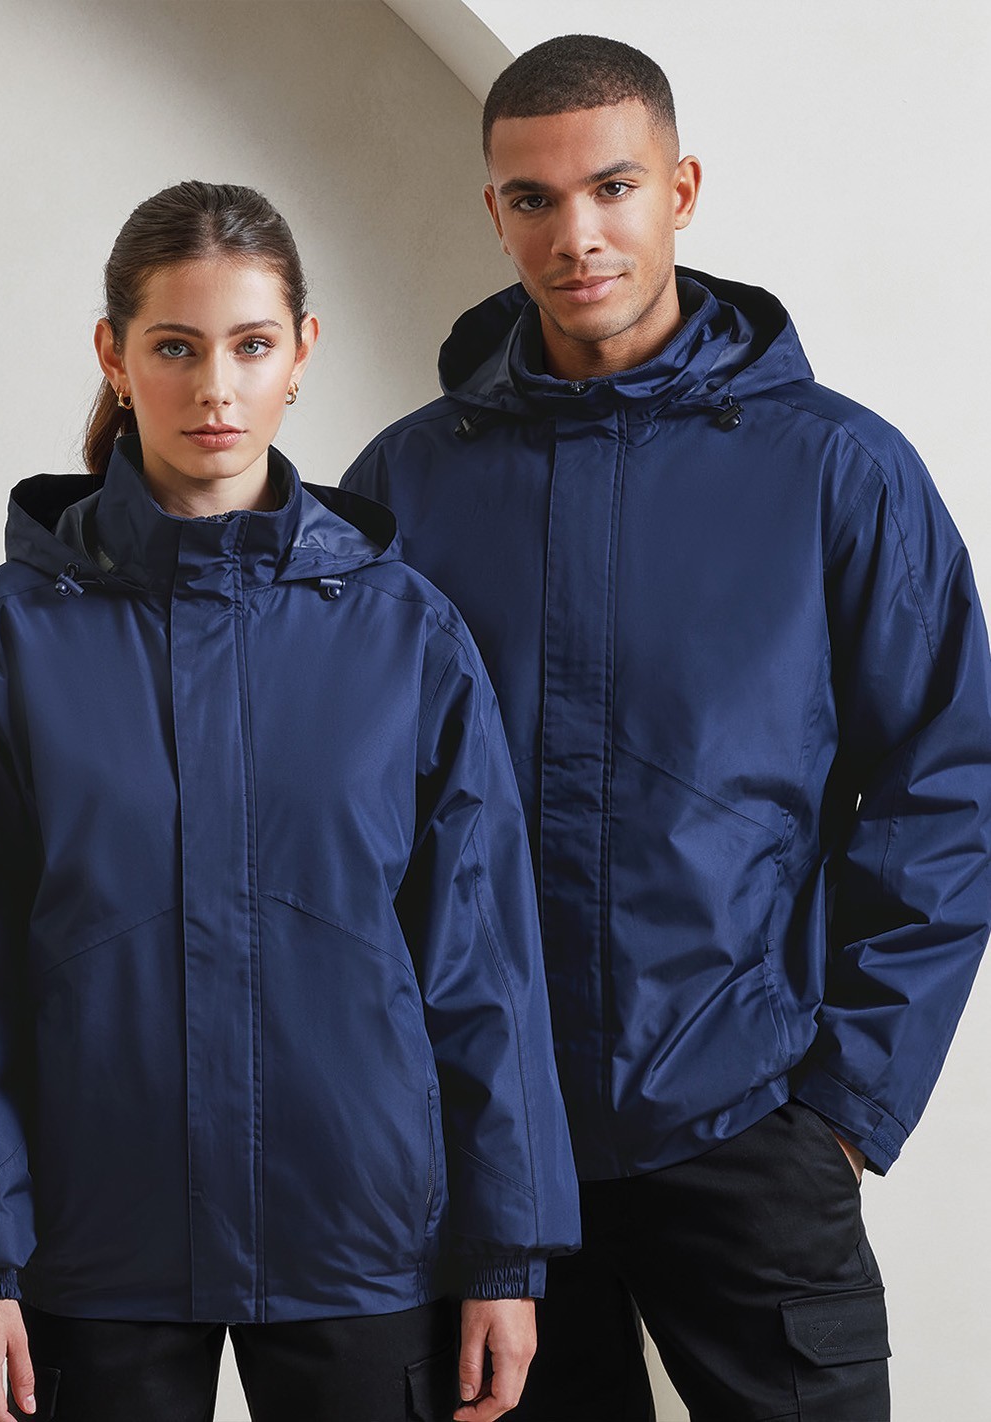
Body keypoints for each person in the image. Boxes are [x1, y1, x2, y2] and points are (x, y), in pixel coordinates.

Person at [342, 34, 991, 1421]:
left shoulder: (840, 471)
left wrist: (845, 1102)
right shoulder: (407, 483)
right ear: (495, 212)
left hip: (751, 1126)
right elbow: (346, 806)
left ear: (681, 189)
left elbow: (948, 781)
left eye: (613, 187)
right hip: (488, 1158)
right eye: (534, 199)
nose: (575, 235)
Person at [0, 180, 581, 1422]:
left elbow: (481, 962)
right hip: (92, 1246)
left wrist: (504, 1253)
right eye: (175, 347)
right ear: (114, 357)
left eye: (251, 345)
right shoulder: (10, 638)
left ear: (300, 353)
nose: (216, 387)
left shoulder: (405, 634)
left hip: (363, 1233)